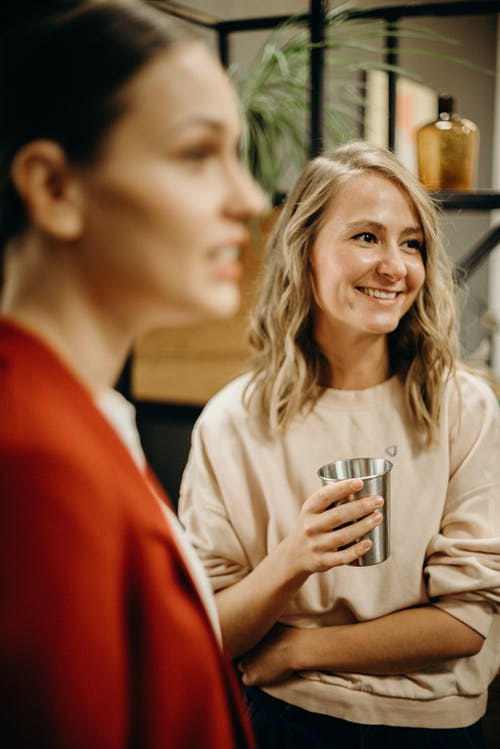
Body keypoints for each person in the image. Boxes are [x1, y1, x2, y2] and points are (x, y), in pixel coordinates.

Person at [0, 1, 269, 746]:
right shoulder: (32, 459)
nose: (247, 199)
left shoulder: (80, 414)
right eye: (195, 153)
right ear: (55, 188)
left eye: (238, 154)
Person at [179, 140, 500, 748]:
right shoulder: (231, 422)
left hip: (434, 728)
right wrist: (293, 558)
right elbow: (208, 633)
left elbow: (467, 621)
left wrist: (304, 647)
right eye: (366, 237)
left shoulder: (464, 407)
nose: (395, 266)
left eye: (411, 243)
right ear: (304, 254)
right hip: (283, 722)